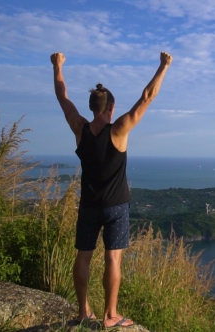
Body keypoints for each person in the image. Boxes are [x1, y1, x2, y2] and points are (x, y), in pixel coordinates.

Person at [51, 51, 173, 328]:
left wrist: (58, 66)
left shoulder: (79, 128)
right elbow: (147, 97)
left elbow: (62, 96)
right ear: (111, 108)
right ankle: (110, 316)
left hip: (88, 205)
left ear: (92, 106)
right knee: (113, 259)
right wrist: (163, 66)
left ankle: (83, 312)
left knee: (83, 255)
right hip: (116, 206)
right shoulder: (119, 130)